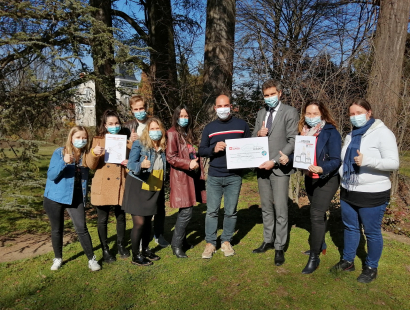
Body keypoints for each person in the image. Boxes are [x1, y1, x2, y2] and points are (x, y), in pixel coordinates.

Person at [330, 98, 399, 283]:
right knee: (350, 228)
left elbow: (394, 163)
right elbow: (345, 160)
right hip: (349, 191)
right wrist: (342, 173)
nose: (355, 117)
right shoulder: (351, 135)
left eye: (359, 113)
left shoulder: (383, 133)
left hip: (372, 193)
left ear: (369, 112)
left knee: (372, 232)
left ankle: (370, 267)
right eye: (352, 114)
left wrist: (368, 161)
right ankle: (348, 261)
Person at [288, 100, 341, 274]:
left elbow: (336, 160)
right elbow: (299, 156)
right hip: (310, 178)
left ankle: (314, 257)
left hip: (326, 179)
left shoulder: (331, 132)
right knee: (318, 214)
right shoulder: (304, 133)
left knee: (316, 214)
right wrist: (287, 159)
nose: (311, 117)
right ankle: (321, 245)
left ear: (322, 114)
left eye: (314, 114)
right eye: (308, 113)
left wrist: (322, 168)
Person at [252, 79, 299, 266]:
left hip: (279, 167)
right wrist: (258, 134)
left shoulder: (290, 112)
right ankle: (267, 240)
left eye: (272, 94)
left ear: (280, 93)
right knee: (266, 207)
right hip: (261, 168)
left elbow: (292, 140)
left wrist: (274, 161)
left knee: (280, 208)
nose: (269, 98)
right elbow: (254, 137)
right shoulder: (261, 113)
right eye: (266, 95)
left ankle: (279, 246)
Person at [198, 95, 251, 259]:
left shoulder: (242, 125)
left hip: (234, 176)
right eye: (219, 106)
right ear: (215, 108)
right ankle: (210, 242)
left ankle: (226, 241)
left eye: (226, 105)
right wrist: (213, 149)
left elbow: (249, 148)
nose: (223, 108)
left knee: (231, 211)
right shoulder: (209, 127)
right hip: (214, 175)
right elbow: (201, 150)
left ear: (231, 106)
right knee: (212, 211)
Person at [43, 126, 101, 271]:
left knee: (81, 228)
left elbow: (93, 165)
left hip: (76, 197)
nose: (81, 140)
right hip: (55, 197)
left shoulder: (86, 155)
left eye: (84, 138)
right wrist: (63, 162)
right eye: (78, 138)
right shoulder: (60, 152)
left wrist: (96, 154)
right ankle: (58, 258)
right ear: (71, 138)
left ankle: (91, 259)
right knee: (57, 229)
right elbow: (51, 175)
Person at [123, 95, 169, 248]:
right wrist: (130, 142)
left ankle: (157, 235)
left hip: (157, 176)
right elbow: (128, 155)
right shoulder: (128, 127)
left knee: (157, 209)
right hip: (140, 177)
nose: (139, 111)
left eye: (141, 108)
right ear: (132, 111)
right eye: (136, 109)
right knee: (141, 218)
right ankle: (140, 249)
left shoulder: (154, 122)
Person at [86, 110, 131, 264]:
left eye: (116, 123)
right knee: (102, 219)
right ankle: (105, 249)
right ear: (105, 125)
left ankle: (120, 245)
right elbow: (91, 165)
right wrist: (94, 153)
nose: (114, 126)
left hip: (120, 183)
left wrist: (129, 156)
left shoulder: (126, 140)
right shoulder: (97, 140)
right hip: (103, 184)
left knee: (121, 216)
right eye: (110, 124)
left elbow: (131, 164)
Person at [167, 105, 206, 258]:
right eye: (181, 116)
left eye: (186, 116)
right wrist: (188, 164)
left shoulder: (187, 133)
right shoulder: (172, 133)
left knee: (187, 210)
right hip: (181, 178)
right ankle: (176, 245)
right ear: (176, 116)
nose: (184, 119)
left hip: (191, 175)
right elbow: (171, 157)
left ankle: (181, 241)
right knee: (186, 212)